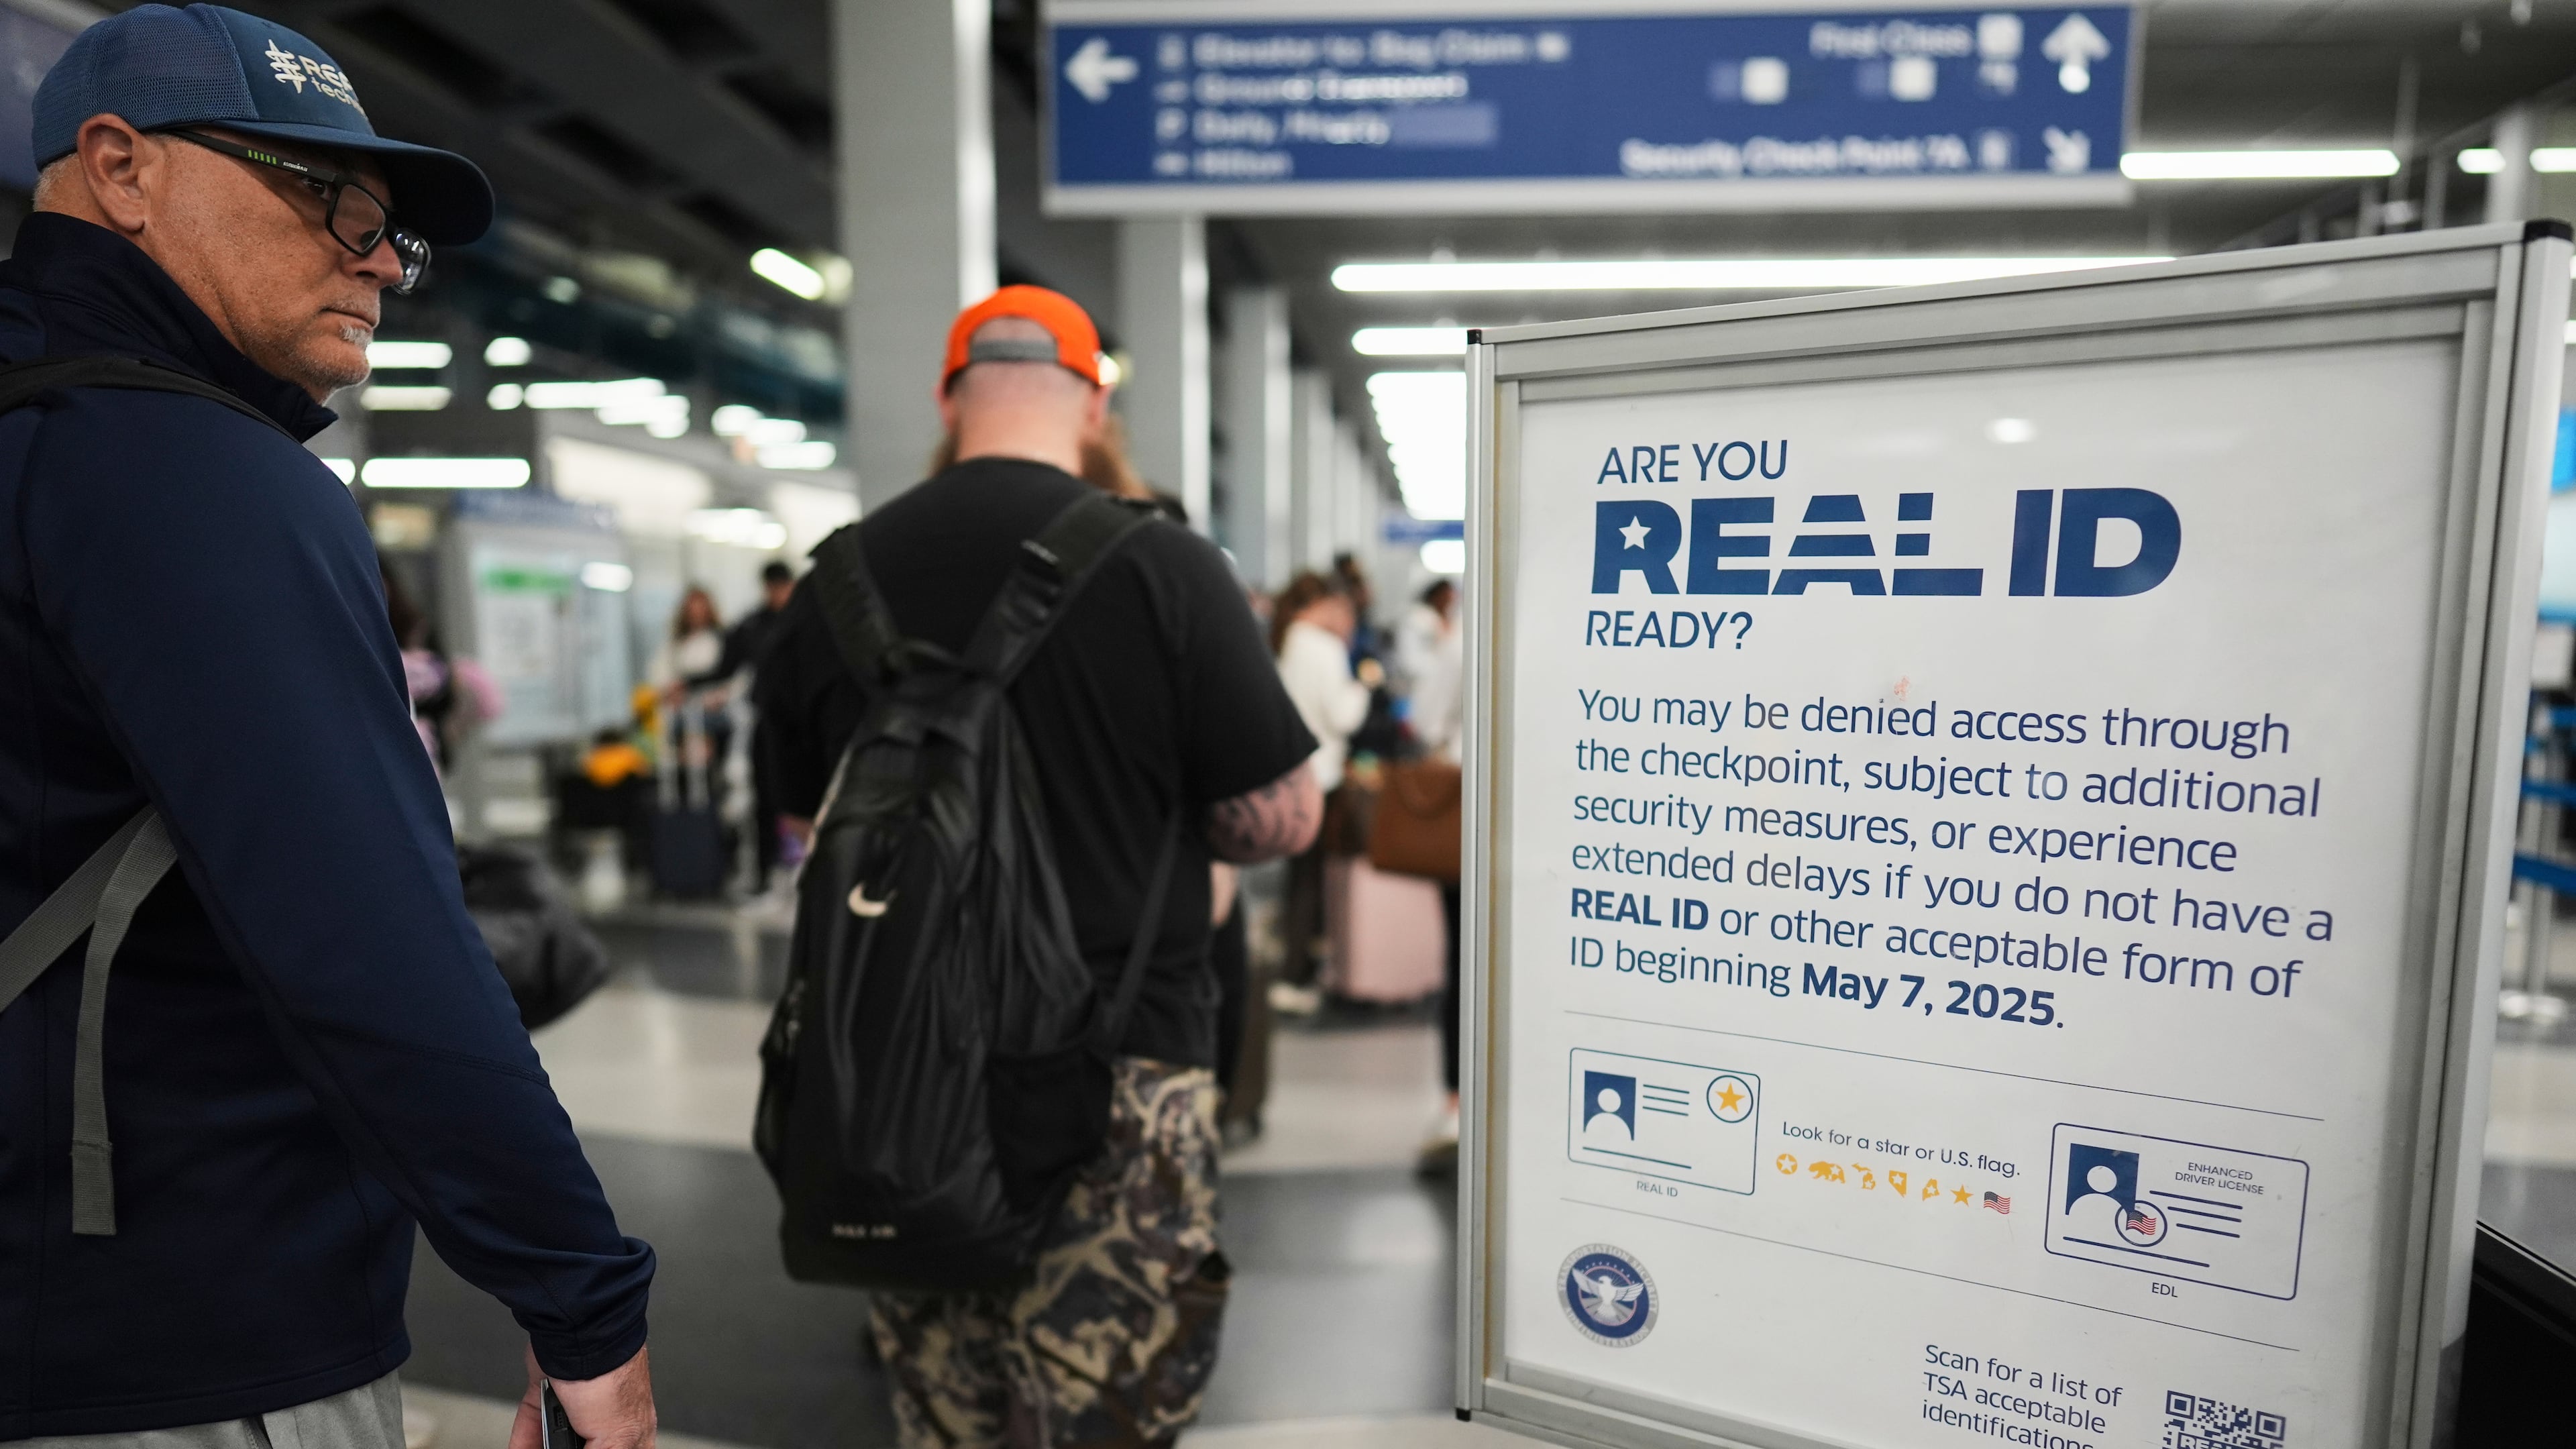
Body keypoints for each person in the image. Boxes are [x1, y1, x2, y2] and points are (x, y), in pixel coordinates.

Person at [0, 8, 655, 1448]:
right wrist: (581, 1301)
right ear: (120, 166)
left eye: (389, 232)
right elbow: (372, 947)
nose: (375, 257)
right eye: (327, 200)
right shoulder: (201, 479)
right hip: (189, 1324)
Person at [757, 285, 1320, 1447]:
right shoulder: (1170, 567)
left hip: (899, 1084)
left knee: (943, 1419)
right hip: (1126, 1076)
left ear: (948, 397)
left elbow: (806, 821)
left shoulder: (835, 584)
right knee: (1108, 1421)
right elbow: (1281, 817)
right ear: (1094, 398)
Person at [1269, 571, 1378, 1012]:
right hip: (1323, 777)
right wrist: (1365, 683)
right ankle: (1303, 975)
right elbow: (1344, 717)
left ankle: (1297, 970)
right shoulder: (1325, 648)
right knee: (1312, 881)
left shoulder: (1288, 642)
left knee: (1300, 877)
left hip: (1292, 776)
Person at [702, 562, 796, 889]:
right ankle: (766, 875)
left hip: (804, 723)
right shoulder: (753, 626)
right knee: (766, 801)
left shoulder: (807, 621)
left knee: (804, 799)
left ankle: (804, 874)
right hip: (769, 722)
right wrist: (690, 685)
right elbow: (725, 667)